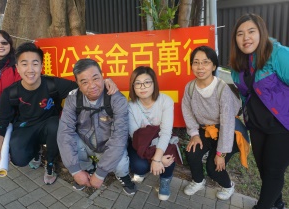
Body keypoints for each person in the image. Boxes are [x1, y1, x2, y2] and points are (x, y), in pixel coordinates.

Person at [0, 43, 118, 185]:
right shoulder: (10, 93)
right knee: (18, 159)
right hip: (24, 127)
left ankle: (50, 163)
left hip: (49, 127)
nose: (30, 69)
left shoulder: (52, 84)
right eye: (24, 64)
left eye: (35, 64)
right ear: (17, 68)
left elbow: (83, 85)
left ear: (41, 66)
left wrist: (104, 81)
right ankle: (36, 151)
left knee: (56, 125)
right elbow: (0, 123)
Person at [230, 13, 289, 209]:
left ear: (261, 33)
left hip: (281, 125)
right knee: (264, 170)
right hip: (256, 125)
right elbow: (245, 95)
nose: (245, 37)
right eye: (240, 34)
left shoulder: (277, 54)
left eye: (251, 31)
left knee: (273, 172)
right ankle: (278, 203)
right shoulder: (237, 65)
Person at [57, 58, 136, 195]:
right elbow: (65, 132)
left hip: (108, 145)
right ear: (78, 84)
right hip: (85, 142)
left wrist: (101, 174)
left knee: (121, 161)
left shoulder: (117, 99)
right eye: (84, 82)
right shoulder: (73, 99)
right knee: (70, 138)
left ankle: (123, 176)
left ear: (102, 76)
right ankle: (86, 169)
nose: (92, 85)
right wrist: (75, 170)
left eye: (95, 78)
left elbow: (119, 138)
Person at [181, 46, 241, 200]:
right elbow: (186, 110)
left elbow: (228, 122)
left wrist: (221, 153)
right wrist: (194, 134)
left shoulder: (221, 89)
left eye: (205, 62)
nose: (200, 67)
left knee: (214, 167)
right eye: (196, 62)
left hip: (229, 132)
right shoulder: (190, 87)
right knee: (192, 153)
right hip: (206, 129)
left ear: (214, 66)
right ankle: (198, 181)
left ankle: (228, 186)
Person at [128, 66, 181, 201]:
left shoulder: (165, 101)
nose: (143, 87)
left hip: (159, 140)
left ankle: (165, 179)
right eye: (138, 83)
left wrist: (159, 159)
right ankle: (149, 168)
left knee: (169, 154)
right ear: (133, 86)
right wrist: (156, 159)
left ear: (154, 83)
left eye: (147, 82)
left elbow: (165, 132)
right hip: (141, 143)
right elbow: (137, 137)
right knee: (139, 167)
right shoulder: (130, 106)